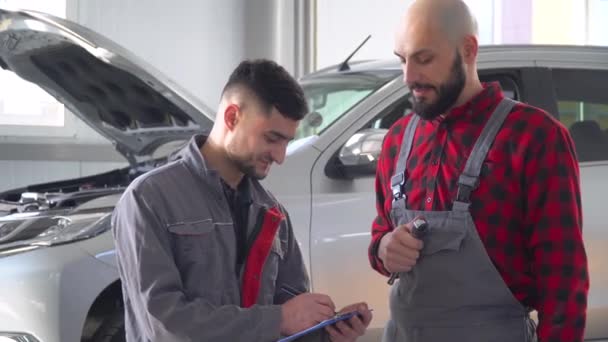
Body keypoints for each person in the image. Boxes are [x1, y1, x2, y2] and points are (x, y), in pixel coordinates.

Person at [367, 0, 589, 341]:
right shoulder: (397, 140)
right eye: (403, 60)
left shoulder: (535, 138)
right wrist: (384, 249)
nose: (409, 76)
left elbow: (563, 280)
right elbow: (382, 230)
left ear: (468, 49)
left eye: (424, 59)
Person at [112, 59, 372, 342]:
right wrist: (279, 319)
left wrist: (326, 334)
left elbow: (289, 325)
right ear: (232, 117)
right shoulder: (149, 199)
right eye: (272, 138)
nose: (280, 156)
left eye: (286, 141)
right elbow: (164, 325)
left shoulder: (273, 213)